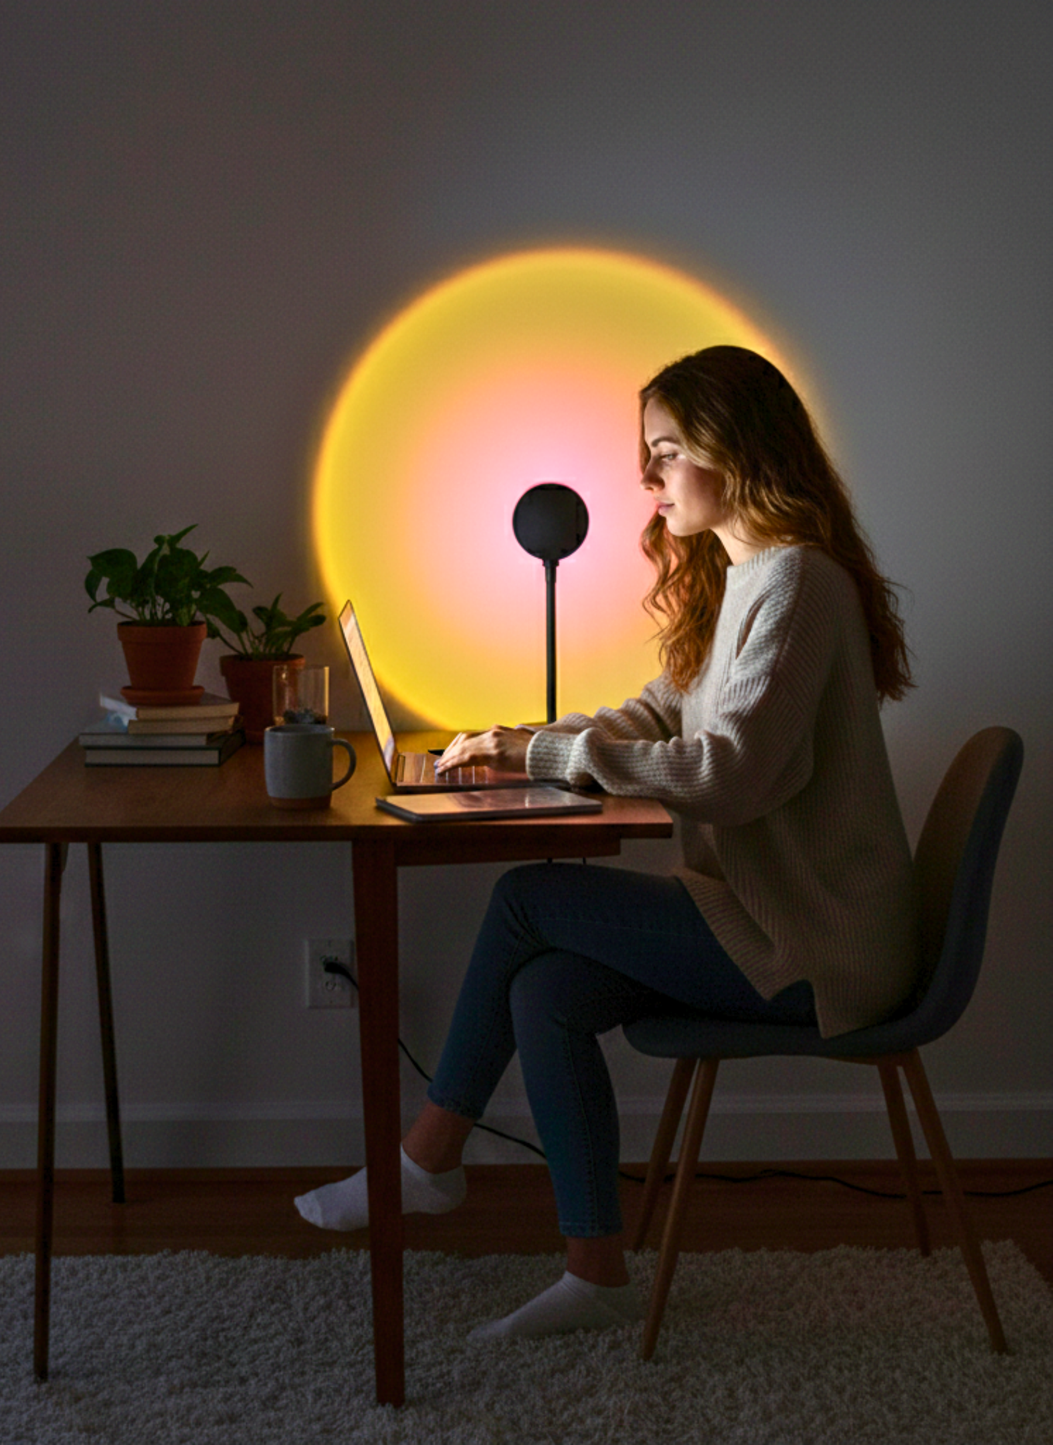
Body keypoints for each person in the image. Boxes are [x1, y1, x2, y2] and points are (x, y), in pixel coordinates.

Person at [294, 344, 918, 1340]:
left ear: (736, 451)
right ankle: (595, 1271)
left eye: (666, 451)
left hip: (815, 945)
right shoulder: (751, 576)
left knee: (528, 897)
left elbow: (728, 771)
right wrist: (520, 745)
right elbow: (657, 714)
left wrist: (551, 754)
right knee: (545, 989)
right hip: (769, 921)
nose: (648, 478)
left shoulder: (795, 585)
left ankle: (424, 1160)